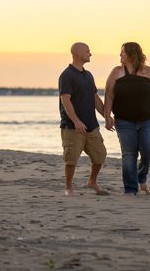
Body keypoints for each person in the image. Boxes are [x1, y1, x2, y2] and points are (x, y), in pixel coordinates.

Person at [104, 42, 150, 195]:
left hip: (147, 120)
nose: (120, 56)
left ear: (132, 55)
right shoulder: (116, 72)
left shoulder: (148, 72)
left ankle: (142, 175)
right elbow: (109, 95)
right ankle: (130, 189)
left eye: (123, 53)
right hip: (124, 121)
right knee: (129, 154)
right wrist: (107, 116)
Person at [59, 42, 109, 196]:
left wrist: (107, 116)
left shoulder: (88, 75)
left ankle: (92, 181)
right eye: (87, 51)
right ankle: (68, 187)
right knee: (71, 159)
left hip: (91, 125)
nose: (90, 54)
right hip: (72, 127)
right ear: (77, 53)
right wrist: (76, 121)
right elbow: (65, 100)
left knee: (100, 155)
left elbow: (95, 98)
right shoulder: (66, 75)